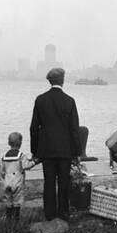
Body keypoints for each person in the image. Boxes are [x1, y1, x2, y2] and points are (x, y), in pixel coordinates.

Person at [30, 68, 82, 221]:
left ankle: (50, 215)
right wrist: (77, 153)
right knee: (64, 183)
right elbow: (74, 129)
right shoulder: (70, 101)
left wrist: (35, 150)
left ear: (50, 81)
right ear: (63, 80)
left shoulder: (40, 100)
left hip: (46, 149)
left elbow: (34, 128)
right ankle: (64, 214)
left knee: (49, 183)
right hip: (65, 150)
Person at [0, 132, 36, 233]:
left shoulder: (4, 156)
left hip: (7, 181)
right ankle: (16, 222)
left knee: (8, 201)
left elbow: (1, 171)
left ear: (8, 143)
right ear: (20, 143)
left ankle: (8, 221)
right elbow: (26, 166)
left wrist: (4, 178)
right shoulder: (21, 155)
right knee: (17, 202)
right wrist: (35, 162)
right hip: (17, 182)